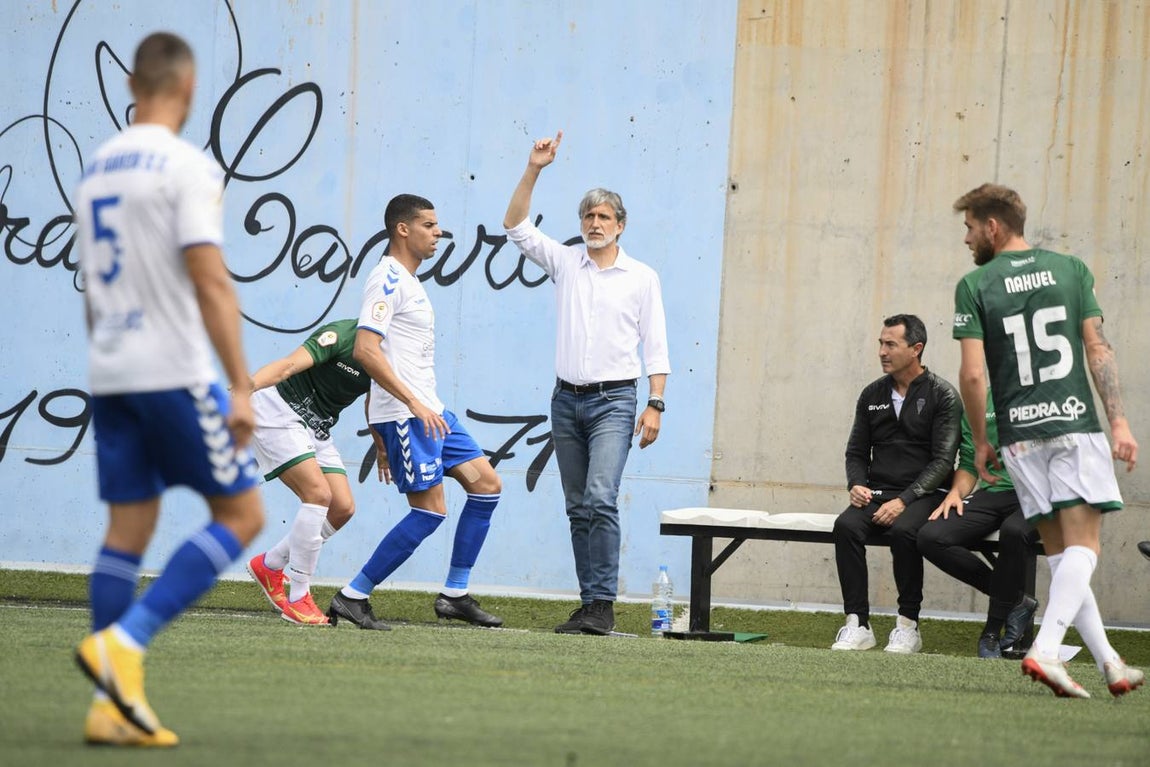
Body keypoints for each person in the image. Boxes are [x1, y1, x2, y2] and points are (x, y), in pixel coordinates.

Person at [71, 32, 264, 746]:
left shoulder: (98, 165)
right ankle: (127, 641)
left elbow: (93, 286)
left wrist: (107, 357)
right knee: (243, 514)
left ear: (131, 84)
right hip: (173, 371)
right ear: (187, 89)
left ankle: (107, 707)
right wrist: (240, 387)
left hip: (111, 369)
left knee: (127, 529)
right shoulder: (187, 166)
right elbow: (211, 280)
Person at [953, 182, 1143, 698]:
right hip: (1072, 424)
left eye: (970, 227)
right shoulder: (1071, 269)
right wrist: (1120, 422)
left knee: (1062, 559)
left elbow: (972, 377)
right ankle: (1045, 651)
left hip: (1017, 436)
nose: (967, 238)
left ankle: (1110, 665)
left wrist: (980, 438)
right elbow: (1097, 350)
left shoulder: (974, 284)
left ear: (993, 226)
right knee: (1084, 550)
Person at [503, 132, 670, 636]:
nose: (595, 224)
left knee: (600, 496)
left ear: (620, 226)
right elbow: (514, 225)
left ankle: (603, 603)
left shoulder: (642, 277)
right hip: (565, 400)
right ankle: (589, 604)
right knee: (577, 507)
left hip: (615, 401)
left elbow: (656, 346)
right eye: (588, 217)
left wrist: (655, 402)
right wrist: (534, 168)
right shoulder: (566, 262)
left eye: (604, 218)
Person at [326, 194, 504, 630]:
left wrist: (381, 432)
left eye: (437, 224)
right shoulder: (386, 279)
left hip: (430, 410)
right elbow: (366, 351)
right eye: (428, 225)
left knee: (487, 485)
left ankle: (455, 594)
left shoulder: (409, 280)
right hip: (411, 415)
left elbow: (383, 357)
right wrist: (405, 408)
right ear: (402, 229)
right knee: (430, 512)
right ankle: (353, 595)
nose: (438, 232)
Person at [831, 314, 961, 654]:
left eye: (891, 344)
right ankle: (857, 623)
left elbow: (944, 461)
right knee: (845, 526)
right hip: (878, 491)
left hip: (926, 492)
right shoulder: (872, 393)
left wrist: (904, 500)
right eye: (880, 343)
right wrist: (856, 483)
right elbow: (856, 451)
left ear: (916, 349)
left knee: (905, 532)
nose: (882, 351)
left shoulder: (943, 394)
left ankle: (908, 625)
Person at [244, 318, 372, 625]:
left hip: (316, 425)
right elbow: (288, 365)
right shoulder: (343, 334)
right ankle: (299, 597)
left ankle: (270, 564)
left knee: (342, 507)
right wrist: (243, 388)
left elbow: (375, 402)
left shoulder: (391, 354)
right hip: (279, 411)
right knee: (318, 495)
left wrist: (382, 448)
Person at [918, 388, 1040, 659]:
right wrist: (955, 493)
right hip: (994, 492)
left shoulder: (1049, 394)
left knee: (1013, 531)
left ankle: (991, 631)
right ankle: (1016, 601)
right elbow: (972, 462)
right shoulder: (981, 400)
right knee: (930, 536)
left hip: (1042, 494)